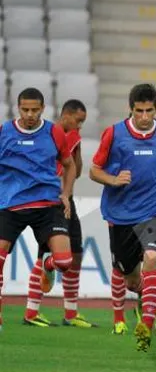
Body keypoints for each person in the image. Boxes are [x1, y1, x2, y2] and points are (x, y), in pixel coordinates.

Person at [90, 84, 156, 349]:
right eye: (139, 111)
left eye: (149, 111)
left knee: (154, 257)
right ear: (130, 109)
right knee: (132, 280)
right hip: (121, 215)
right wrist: (113, 179)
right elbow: (94, 170)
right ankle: (144, 295)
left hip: (155, 210)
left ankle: (146, 325)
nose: (144, 117)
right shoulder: (114, 133)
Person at [0, 88, 77, 332]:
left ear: (43, 108)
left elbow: (69, 164)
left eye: (35, 109)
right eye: (25, 109)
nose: (30, 114)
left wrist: (66, 193)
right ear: (18, 108)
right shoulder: (4, 132)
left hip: (47, 204)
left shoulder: (54, 132)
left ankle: (48, 265)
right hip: (11, 205)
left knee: (65, 261)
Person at [23, 99, 95, 328]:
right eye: (78, 120)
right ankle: (31, 313)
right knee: (44, 256)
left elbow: (78, 170)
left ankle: (71, 314)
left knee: (76, 253)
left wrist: (78, 148)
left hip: (67, 200)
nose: (80, 126)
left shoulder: (72, 138)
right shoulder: (48, 135)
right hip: (49, 200)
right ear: (66, 115)